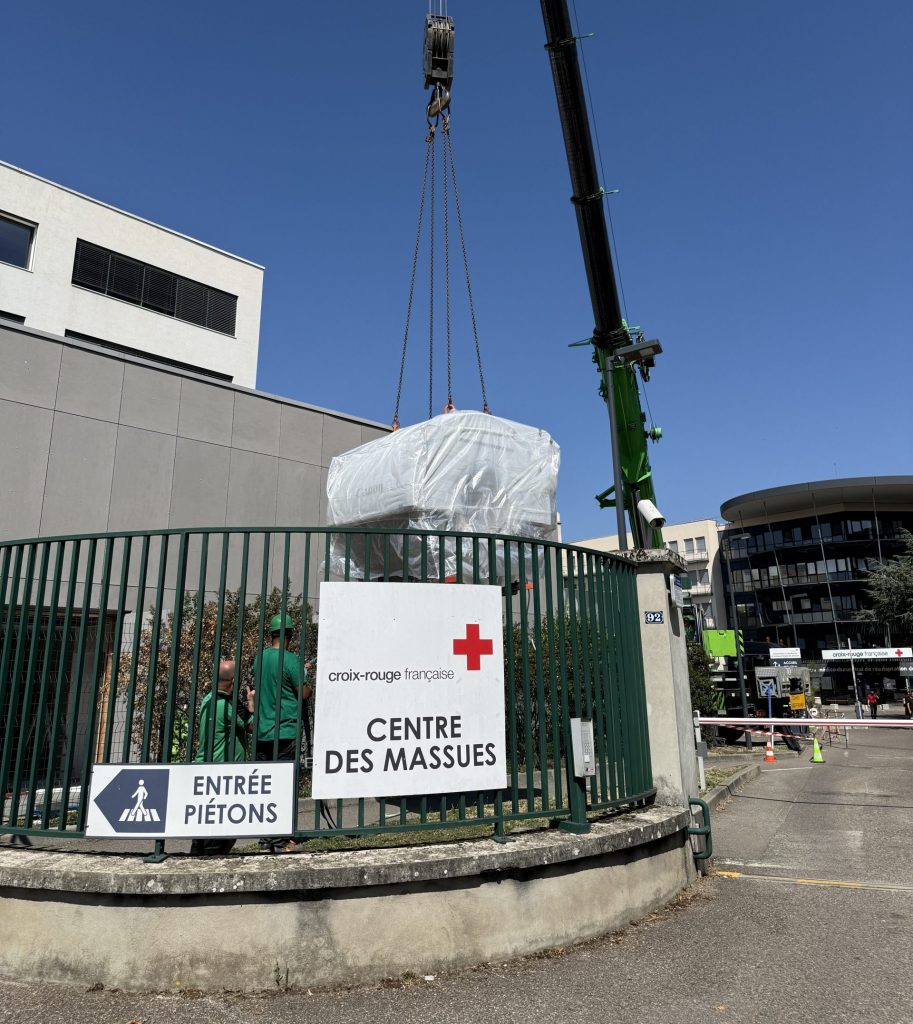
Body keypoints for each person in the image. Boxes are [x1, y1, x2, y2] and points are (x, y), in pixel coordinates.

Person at [250, 614, 311, 853]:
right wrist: (305, 678)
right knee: (284, 786)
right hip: (285, 731)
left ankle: (265, 838)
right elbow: (302, 693)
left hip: (262, 731)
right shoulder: (291, 660)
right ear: (290, 635)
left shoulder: (259, 659)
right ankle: (281, 839)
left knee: (266, 787)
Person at [190, 658, 254, 857]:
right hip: (223, 774)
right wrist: (251, 703)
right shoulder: (227, 706)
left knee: (203, 830)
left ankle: (196, 860)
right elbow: (252, 726)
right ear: (233, 681)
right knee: (221, 832)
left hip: (205, 770)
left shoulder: (208, 699)